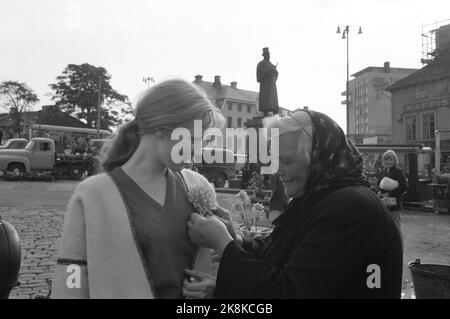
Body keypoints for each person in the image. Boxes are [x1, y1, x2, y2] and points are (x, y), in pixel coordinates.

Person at [186, 109, 403, 298]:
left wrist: (224, 245)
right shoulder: (318, 196)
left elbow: (288, 292)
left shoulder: (350, 208)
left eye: (287, 160)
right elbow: (284, 250)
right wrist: (238, 240)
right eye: (275, 159)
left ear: (319, 157)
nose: (278, 169)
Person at [51, 79, 224, 299]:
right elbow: (71, 269)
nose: (196, 150)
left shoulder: (199, 187)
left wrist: (215, 286)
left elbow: (218, 261)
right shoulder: (93, 194)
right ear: (162, 129)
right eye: (192, 139)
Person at [376, 150, 408, 227]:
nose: (389, 162)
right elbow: (378, 185)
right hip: (383, 203)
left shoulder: (398, 172)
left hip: (394, 204)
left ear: (395, 160)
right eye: (386, 159)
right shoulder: (382, 172)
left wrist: (390, 193)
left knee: (395, 225)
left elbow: (404, 187)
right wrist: (379, 191)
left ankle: (397, 239)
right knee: (384, 225)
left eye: (391, 160)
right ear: (383, 160)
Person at [256, 47, 279, 116]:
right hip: (265, 86)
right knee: (265, 101)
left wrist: (274, 70)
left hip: (272, 86)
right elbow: (259, 75)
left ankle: (275, 111)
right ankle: (265, 112)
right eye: (267, 55)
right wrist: (270, 69)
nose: (268, 56)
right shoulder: (260, 64)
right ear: (264, 55)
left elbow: (276, 73)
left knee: (273, 100)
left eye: (269, 55)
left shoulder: (271, 64)